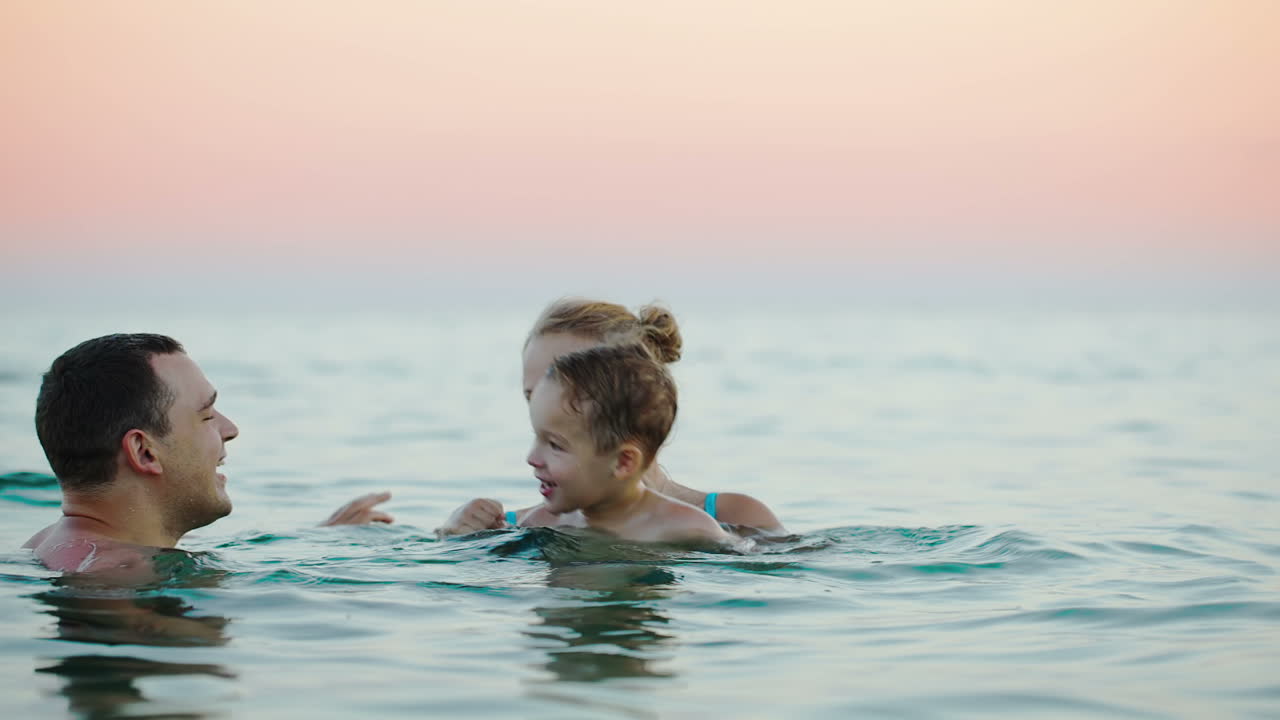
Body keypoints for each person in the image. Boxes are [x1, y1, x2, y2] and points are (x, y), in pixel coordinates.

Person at [22, 333, 391, 577]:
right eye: (206, 415)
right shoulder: (125, 575)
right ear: (144, 452)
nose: (230, 429)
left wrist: (324, 539)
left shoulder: (47, 546)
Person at [437, 298, 784, 537]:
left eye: (569, 382)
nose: (547, 402)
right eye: (533, 395)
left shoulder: (729, 518)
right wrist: (453, 532)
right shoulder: (516, 527)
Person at [522, 343, 729, 544]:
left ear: (623, 462)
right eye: (537, 437)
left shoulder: (688, 530)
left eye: (555, 445)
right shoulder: (539, 524)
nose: (532, 459)